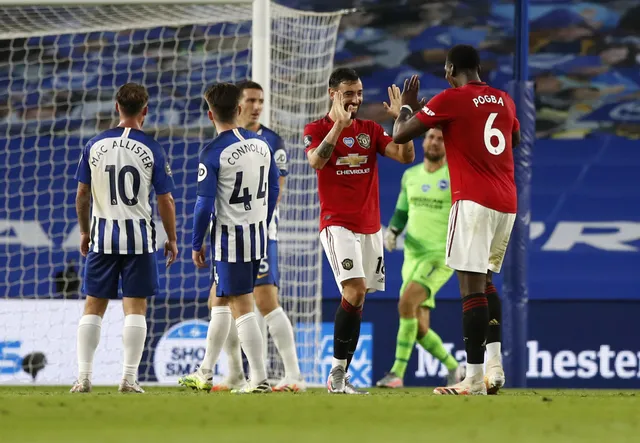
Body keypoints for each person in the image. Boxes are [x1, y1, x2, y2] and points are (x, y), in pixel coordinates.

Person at [392, 44, 520, 395]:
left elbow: (400, 134)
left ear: (449, 70)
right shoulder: (504, 99)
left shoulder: (451, 98)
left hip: (473, 201)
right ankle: (494, 367)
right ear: (478, 67)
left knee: (471, 290)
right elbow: (516, 137)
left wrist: (405, 107)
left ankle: (474, 379)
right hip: (506, 202)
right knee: (487, 281)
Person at [180, 80, 304, 392]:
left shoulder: (212, 152)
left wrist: (196, 243)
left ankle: (260, 378)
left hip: (230, 239)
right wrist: (260, 221)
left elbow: (203, 205)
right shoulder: (261, 144)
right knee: (220, 299)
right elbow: (275, 187)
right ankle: (211, 371)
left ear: (210, 116)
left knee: (245, 304)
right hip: (258, 234)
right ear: (239, 109)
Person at [304, 68, 415, 394]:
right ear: (332, 94)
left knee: (357, 297)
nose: (355, 99)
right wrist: (338, 125)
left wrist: (404, 123)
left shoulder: (371, 130)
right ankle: (337, 374)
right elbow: (316, 162)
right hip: (337, 224)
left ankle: (340, 373)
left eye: (358, 93)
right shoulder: (316, 128)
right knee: (353, 290)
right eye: (348, 93)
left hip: (370, 228)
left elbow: (404, 157)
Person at [72, 83, 178, 393]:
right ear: (145, 111)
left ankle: (84, 378)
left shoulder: (94, 144)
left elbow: (81, 194)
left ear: (117, 107)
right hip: (139, 241)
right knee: (136, 308)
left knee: (93, 307)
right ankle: (129, 379)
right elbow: (166, 200)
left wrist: (84, 231)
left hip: (102, 239)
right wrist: (171, 238)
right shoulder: (153, 148)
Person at [376, 127, 464, 389]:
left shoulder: (456, 176)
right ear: (423, 142)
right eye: (430, 137)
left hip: (440, 255)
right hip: (412, 256)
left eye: (440, 138)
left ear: (447, 145)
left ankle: (396, 373)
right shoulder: (410, 176)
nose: (434, 142)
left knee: (405, 303)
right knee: (419, 326)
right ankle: (452, 367)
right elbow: (402, 210)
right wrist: (392, 231)